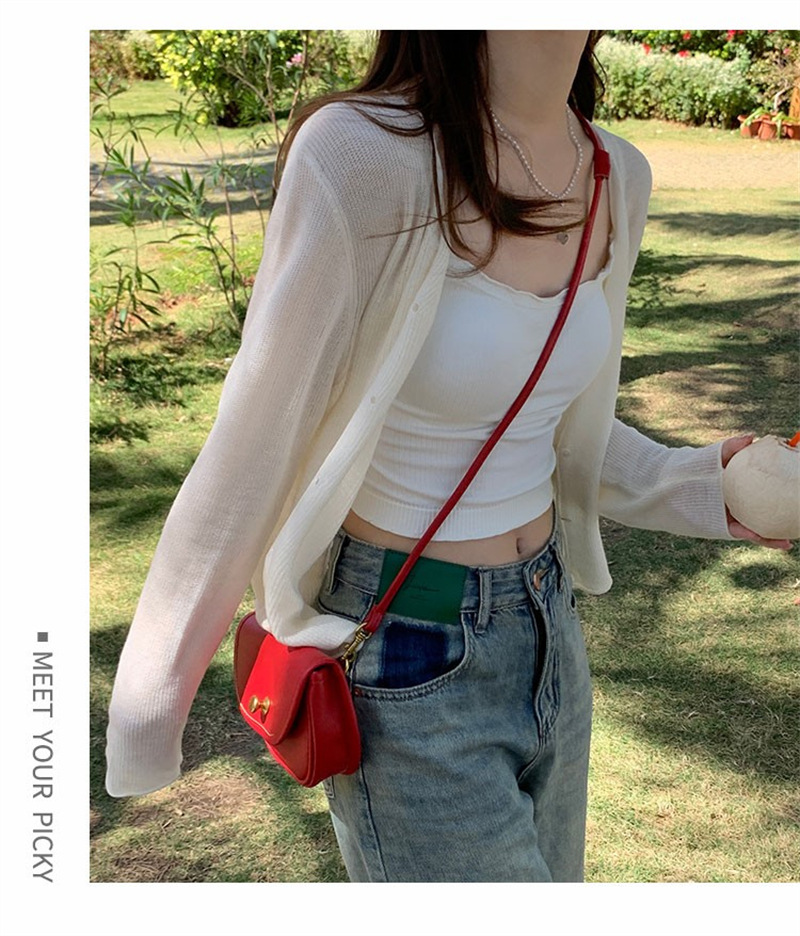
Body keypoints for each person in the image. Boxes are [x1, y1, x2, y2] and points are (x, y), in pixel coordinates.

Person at [104, 30, 791, 883]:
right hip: (404, 645)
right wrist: (151, 702)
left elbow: (546, 420)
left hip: (550, 626)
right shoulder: (364, 154)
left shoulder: (618, 171)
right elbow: (260, 431)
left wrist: (699, 485)